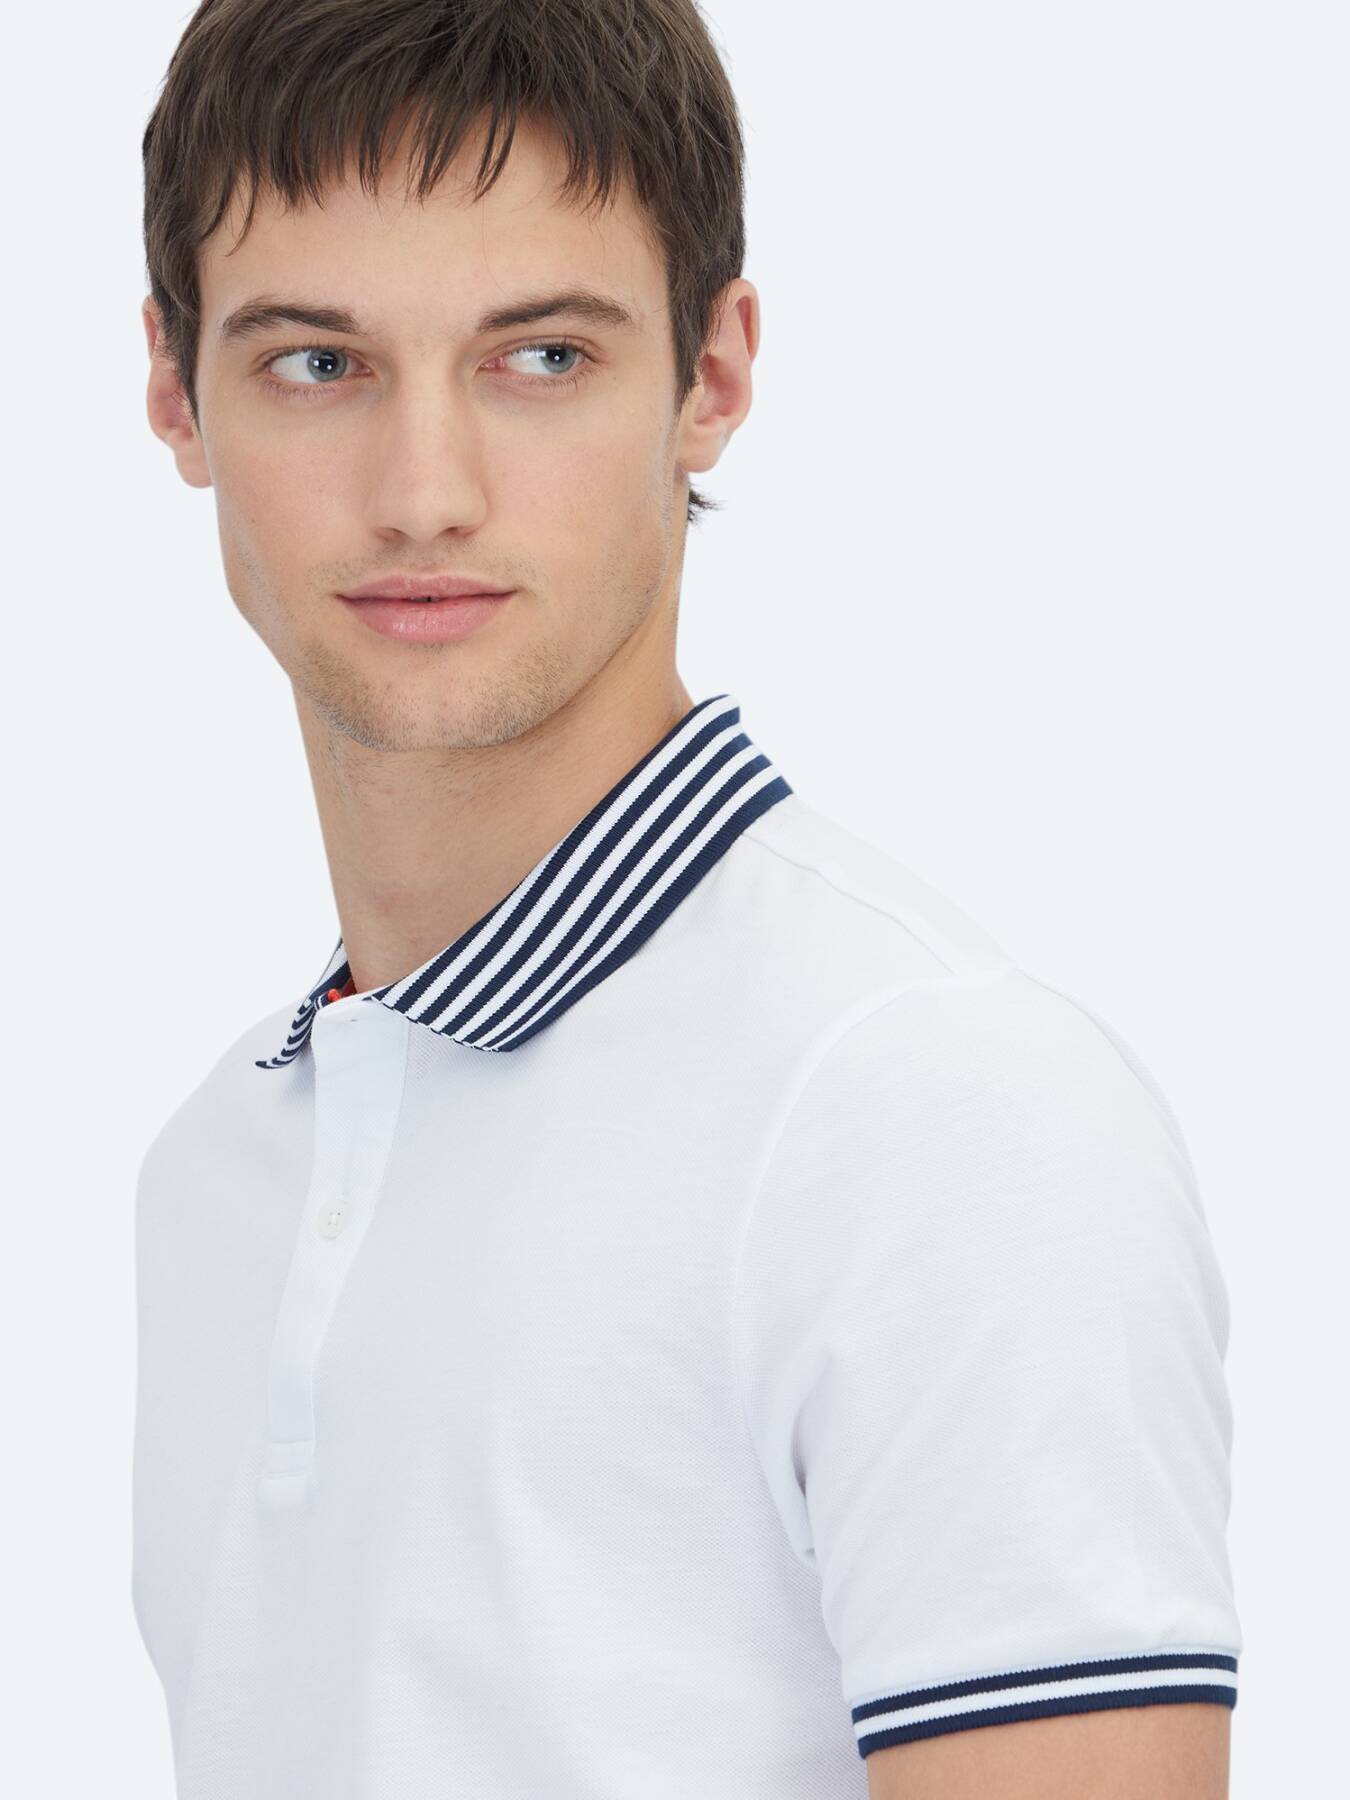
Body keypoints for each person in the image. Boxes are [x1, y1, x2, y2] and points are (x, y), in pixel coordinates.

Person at [134, 4, 1242, 1796]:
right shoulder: (220, 1165)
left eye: (541, 356)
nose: (424, 492)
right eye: (318, 363)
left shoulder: (936, 1109)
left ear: (711, 377)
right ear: (176, 391)